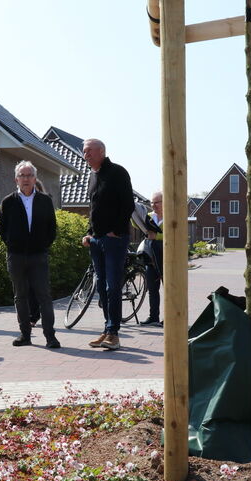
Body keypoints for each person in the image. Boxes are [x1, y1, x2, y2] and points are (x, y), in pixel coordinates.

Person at [0, 160, 60, 349]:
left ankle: (51, 336)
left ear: (35, 178)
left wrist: (41, 245)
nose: (26, 179)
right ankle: (25, 335)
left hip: (38, 255)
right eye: (22, 175)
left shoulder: (45, 200)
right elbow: (2, 228)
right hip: (15, 256)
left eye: (29, 175)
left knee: (44, 296)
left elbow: (52, 228)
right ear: (16, 179)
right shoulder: (8, 202)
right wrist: (13, 244)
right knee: (20, 296)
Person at [80, 138, 134, 350]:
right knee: (101, 287)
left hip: (114, 240)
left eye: (89, 151)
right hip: (96, 241)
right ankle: (108, 329)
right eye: (84, 152)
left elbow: (128, 204)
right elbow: (94, 210)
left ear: (101, 151)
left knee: (112, 286)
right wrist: (89, 234)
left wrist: (116, 231)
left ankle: (114, 333)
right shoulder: (92, 177)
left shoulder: (118, 173)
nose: (86, 156)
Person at [141, 189, 164, 325]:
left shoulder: (172, 216)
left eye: (157, 202)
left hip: (166, 257)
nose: (153, 205)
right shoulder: (149, 216)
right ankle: (153, 316)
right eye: (152, 203)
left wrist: (157, 236)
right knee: (152, 288)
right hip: (151, 257)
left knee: (169, 288)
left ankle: (169, 318)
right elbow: (136, 223)